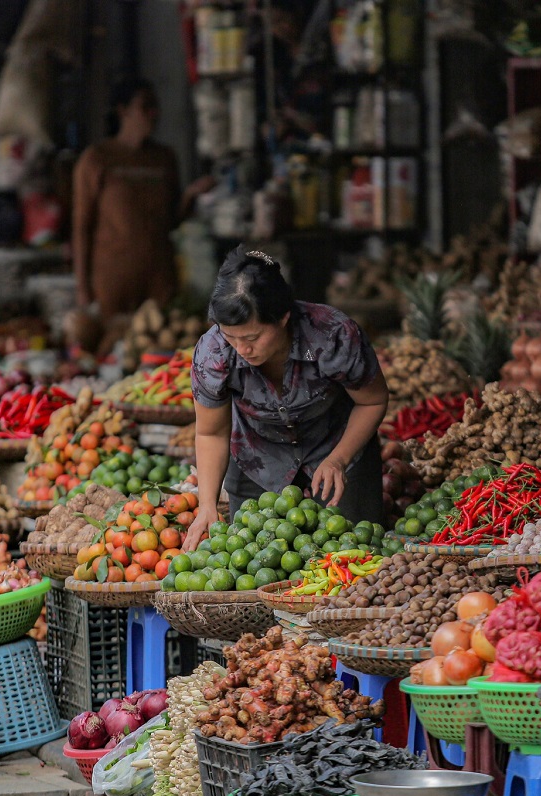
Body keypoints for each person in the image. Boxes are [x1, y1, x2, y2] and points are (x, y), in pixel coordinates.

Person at [182, 248, 389, 551]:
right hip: (258, 459)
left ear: (283, 318)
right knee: (257, 557)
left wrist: (338, 459)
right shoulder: (213, 353)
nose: (241, 348)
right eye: (230, 336)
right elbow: (211, 432)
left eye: (252, 338)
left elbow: (372, 401)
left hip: (336, 444)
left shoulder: (331, 335)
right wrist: (207, 504)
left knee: (354, 551)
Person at [72, 77, 216, 317]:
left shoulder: (164, 158)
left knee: (164, 345)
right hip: (112, 281)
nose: (153, 113)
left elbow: (172, 220)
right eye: (145, 106)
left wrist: (190, 196)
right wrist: (83, 287)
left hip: (159, 278)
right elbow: (81, 228)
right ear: (123, 111)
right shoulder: (97, 159)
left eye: (155, 107)